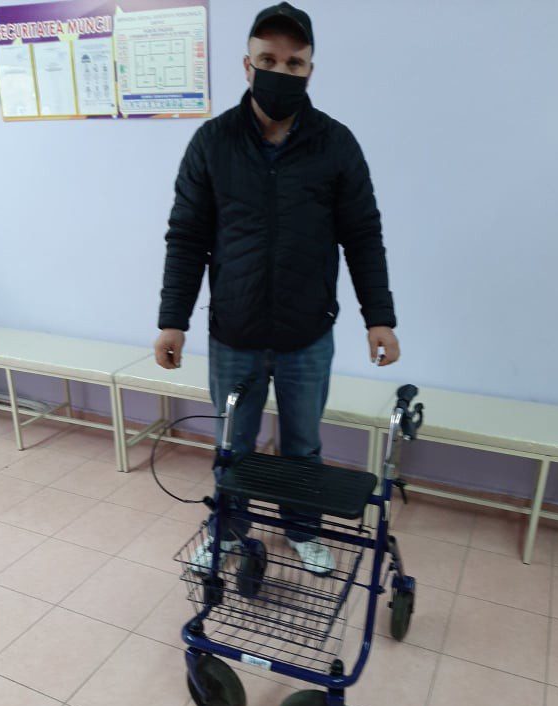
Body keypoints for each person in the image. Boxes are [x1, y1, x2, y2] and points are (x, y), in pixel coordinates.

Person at [154, 2, 400, 575]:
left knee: (303, 446)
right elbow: (187, 237)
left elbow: (363, 235)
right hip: (234, 331)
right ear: (247, 65)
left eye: (294, 63)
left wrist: (379, 317)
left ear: (310, 70)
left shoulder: (336, 144)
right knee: (232, 447)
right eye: (268, 60)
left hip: (306, 333)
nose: (280, 72)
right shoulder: (212, 142)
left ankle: (302, 529)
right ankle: (229, 532)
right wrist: (172, 320)